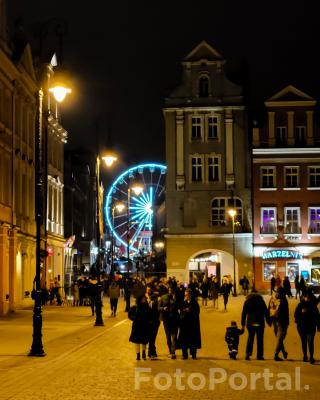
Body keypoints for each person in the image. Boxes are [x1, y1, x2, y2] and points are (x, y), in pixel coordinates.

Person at [241, 289, 270, 360]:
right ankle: (259, 355)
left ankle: (248, 354)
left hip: (250, 323)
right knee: (260, 339)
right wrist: (269, 321)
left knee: (250, 339)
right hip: (259, 322)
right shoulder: (261, 301)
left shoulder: (247, 301)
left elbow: (244, 313)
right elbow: (266, 312)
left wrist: (243, 325)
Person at [294, 289, 320, 364]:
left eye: (307, 297)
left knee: (309, 342)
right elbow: (296, 315)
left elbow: (317, 316)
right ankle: (305, 356)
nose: (306, 298)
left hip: (309, 327)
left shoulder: (312, 306)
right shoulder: (301, 305)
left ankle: (310, 357)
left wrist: (318, 326)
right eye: (305, 296)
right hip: (303, 327)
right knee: (305, 342)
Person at [177, 289, 201, 359]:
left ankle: (193, 354)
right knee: (184, 339)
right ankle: (185, 355)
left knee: (193, 340)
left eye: (187, 295)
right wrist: (183, 312)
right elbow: (181, 311)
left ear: (190, 295)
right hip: (184, 324)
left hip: (192, 325)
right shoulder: (183, 302)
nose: (186, 296)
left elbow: (197, 312)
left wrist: (190, 311)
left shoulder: (194, 303)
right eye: (185, 295)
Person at [268, 287, 289, 361]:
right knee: (280, 338)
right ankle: (276, 355)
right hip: (282, 321)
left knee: (279, 338)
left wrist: (269, 320)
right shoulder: (283, 300)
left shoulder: (273, 298)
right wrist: (287, 322)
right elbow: (286, 312)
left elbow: (269, 308)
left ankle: (284, 352)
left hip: (274, 320)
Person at [159, 286, 180, 359]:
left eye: (172, 290)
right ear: (168, 290)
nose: (170, 291)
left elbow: (180, 307)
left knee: (174, 337)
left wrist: (175, 299)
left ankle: (173, 352)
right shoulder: (163, 297)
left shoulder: (177, 298)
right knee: (168, 338)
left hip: (175, 319)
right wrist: (163, 308)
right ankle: (170, 350)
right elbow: (158, 307)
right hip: (166, 320)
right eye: (170, 290)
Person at [129, 295, 151, 360]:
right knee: (137, 341)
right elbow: (130, 315)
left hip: (144, 326)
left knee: (144, 341)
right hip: (137, 326)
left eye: (145, 299)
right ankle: (138, 355)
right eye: (143, 299)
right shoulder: (135, 307)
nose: (144, 300)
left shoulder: (147, 307)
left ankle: (143, 353)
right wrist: (134, 319)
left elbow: (150, 316)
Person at [145, 286, 160, 359]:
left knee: (152, 337)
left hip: (155, 322)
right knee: (150, 338)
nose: (148, 292)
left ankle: (152, 353)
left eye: (149, 290)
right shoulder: (144, 300)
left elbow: (158, 310)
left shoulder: (156, 301)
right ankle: (152, 353)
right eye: (147, 290)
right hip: (147, 322)